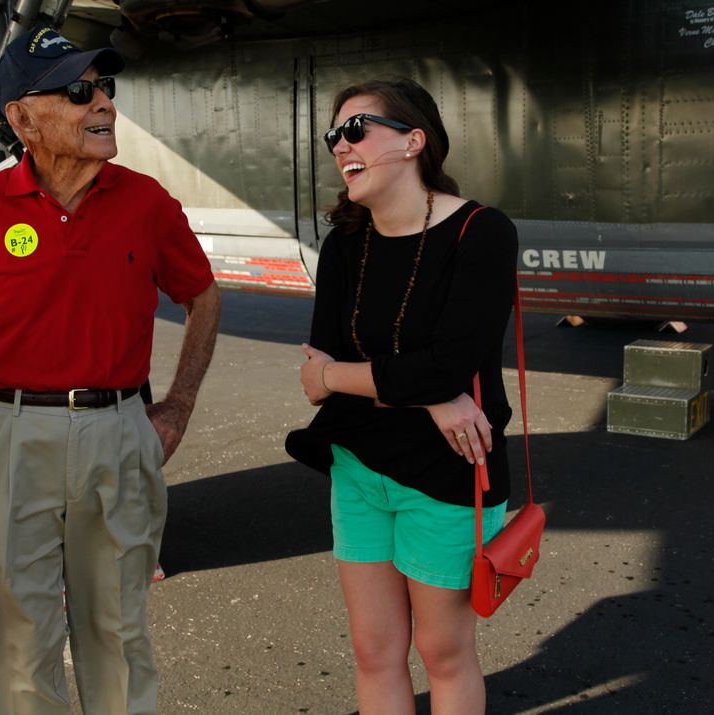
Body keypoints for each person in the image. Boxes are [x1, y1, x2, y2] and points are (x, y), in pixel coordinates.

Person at [0, 25, 221, 715]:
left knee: (117, 637)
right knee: (17, 647)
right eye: (78, 92)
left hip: (118, 433)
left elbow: (203, 294)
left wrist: (177, 405)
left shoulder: (147, 204)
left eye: (105, 89)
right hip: (12, 439)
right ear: (21, 119)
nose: (102, 104)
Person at [285, 78, 518, 714]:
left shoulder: (481, 232)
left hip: (448, 475)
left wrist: (352, 379)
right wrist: (431, 395)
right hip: (360, 467)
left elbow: (444, 363)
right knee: (374, 651)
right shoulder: (344, 245)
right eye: (335, 135)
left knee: (444, 654)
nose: (340, 145)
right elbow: (317, 371)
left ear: (414, 141)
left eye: (356, 129)